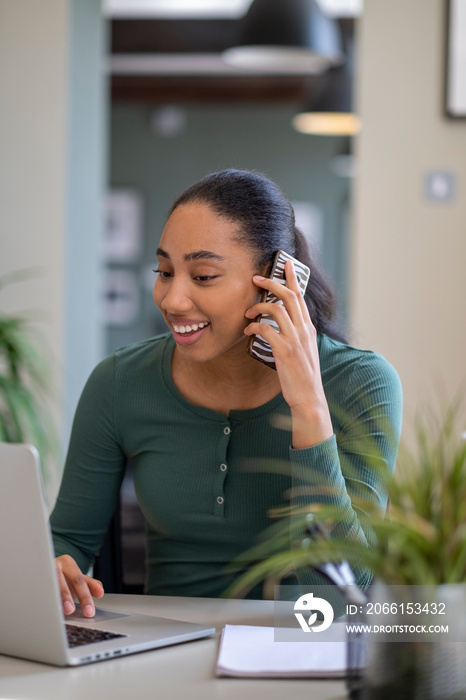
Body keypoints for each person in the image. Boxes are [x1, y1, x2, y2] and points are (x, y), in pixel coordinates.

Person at [50, 168, 402, 618]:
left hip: (301, 648)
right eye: (164, 271)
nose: (172, 299)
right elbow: (70, 541)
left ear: (276, 282)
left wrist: (309, 404)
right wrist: (58, 568)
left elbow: (345, 592)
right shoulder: (120, 381)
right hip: (158, 655)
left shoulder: (361, 383)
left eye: (204, 276)